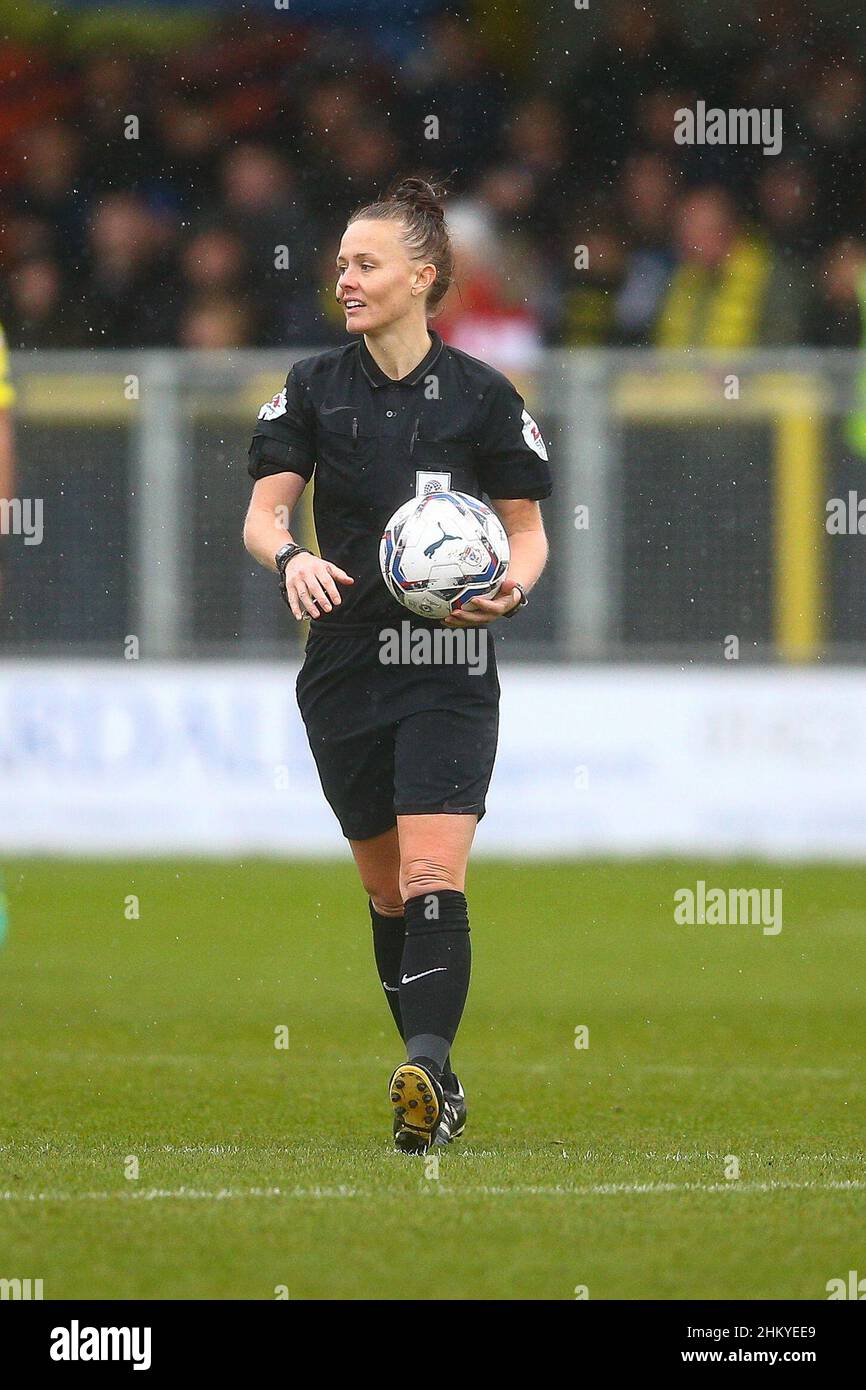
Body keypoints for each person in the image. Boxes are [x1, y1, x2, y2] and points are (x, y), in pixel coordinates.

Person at [243, 176, 552, 1152]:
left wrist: (513, 586)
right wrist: (290, 557)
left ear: (423, 277)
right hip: (343, 667)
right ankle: (439, 1085)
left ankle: (421, 1057)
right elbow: (262, 515)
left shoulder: (481, 396)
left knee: (430, 872)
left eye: (365, 264)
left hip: (447, 663)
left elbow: (526, 531)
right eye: (340, 264)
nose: (345, 279)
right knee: (384, 889)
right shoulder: (311, 386)